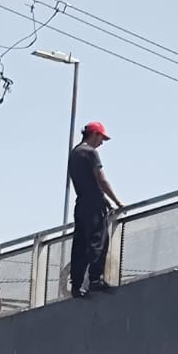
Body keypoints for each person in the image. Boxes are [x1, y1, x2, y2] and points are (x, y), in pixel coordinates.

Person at [67, 121, 123, 298]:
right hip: (94, 205)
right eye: (101, 138)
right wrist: (117, 202)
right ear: (94, 134)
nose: (102, 143)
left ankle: (76, 285)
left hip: (81, 203)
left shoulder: (74, 153)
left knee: (80, 244)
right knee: (99, 240)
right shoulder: (91, 153)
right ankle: (95, 279)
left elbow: (86, 182)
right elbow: (101, 180)